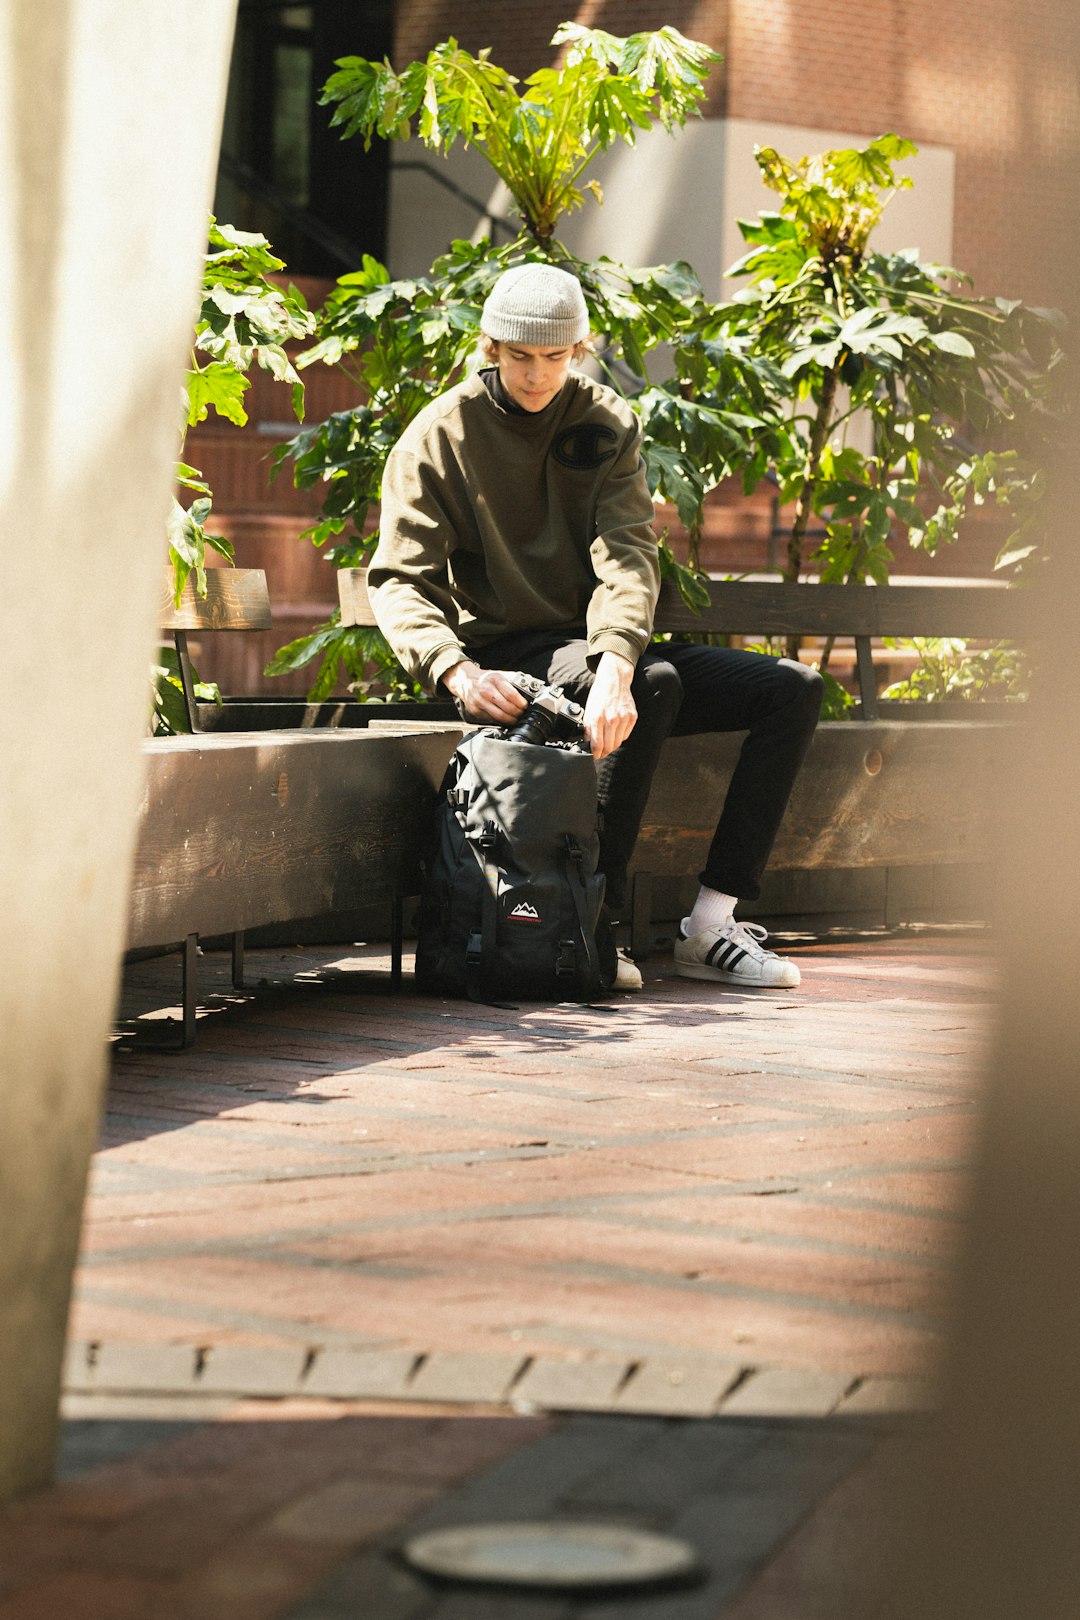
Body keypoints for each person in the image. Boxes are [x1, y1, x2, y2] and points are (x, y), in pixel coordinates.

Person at [368, 262, 823, 990]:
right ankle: (584, 924)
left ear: (578, 350)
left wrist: (614, 661)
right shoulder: (442, 434)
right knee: (659, 683)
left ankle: (710, 926)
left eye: (556, 357)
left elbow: (630, 552)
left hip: (597, 650)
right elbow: (398, 577)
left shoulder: (605, 419)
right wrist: (453, 668)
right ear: (489, 346)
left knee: (792, 688)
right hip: (506, 658)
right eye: (521, 356)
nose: (538, 374)